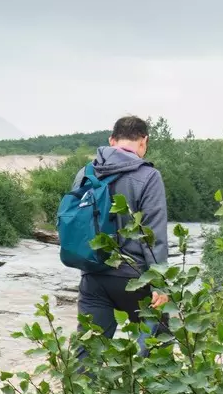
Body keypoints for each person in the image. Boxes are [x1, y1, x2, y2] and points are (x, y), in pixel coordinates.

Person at [71, 115, 172, 342]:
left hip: (93, 273)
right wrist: (160, 284)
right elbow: (153, 235)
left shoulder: (85, 173)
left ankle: (80, 378)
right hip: (135, 276)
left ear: (112, 140)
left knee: (89, 349)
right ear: (143, 141)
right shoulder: (149, 176)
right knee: (157, 346)